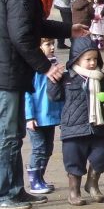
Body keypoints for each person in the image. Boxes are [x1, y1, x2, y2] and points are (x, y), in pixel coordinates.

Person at [0, 0, 87, 209]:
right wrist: (46, 66)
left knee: (13, 135)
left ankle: (16, 189)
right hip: (8, 71)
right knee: (9, 136)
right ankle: (6, 193)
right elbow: (23, 35)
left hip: (11, 69)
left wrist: (66, 30)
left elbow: (33, 25)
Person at [48, 36, 104, 206]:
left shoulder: (99, 77)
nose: (93, 62)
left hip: (96, 126)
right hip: (73, 127)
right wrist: (54, 81)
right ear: (76, 59)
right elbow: (54, 96)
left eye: (95, 58)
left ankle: (92, 184)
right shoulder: (67, 77)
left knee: (101, 156)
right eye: (88, 59)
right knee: (74, 161)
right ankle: (74, 192)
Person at [24, 38, 63, 194]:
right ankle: (34, 181)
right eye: (48, 44)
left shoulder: (54, 64)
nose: (52, 47)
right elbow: (27, 94)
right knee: (39, 149)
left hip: (50, 115)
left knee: (48, 149)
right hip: (36, 117)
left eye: (53, 44)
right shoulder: (33, 68)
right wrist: (29, 116)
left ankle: (40, 178)